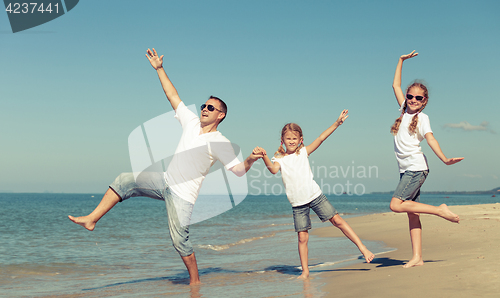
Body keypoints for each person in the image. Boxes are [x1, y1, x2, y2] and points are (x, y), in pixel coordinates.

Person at [68, 48, 262, 285]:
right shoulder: (191, 122)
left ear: (220, 115)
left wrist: (251, 158)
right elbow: (173, 95)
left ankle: (195, 282)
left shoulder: (220, 142)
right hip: (165, 180)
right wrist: (159, 69)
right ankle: (92, 219)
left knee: (179, 240)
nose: (204, 109)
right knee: (124, 180)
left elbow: (238, 171)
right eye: (204, 105)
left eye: (210, 108)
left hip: (183, 195)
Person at [255, 111, 374, 279]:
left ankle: (362, 247)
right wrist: (264, 157)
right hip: (298, 204)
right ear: (282, 140)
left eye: (295, 138)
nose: (291, 141)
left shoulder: (303, 152)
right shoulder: (279, 158)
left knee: (337, 220)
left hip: (315, 196)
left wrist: (337, 123)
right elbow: (273, 170)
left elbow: (321, 138)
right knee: (302, 238)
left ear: (300, 140)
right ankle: (305, 271)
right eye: (288, 139)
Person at [389, 50, 464, 268]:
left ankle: (440, 210)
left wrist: (444, 159)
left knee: (396, 205)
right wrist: (400, 60)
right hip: (406, 170)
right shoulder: (404, 110)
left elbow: (431, 139)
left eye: (418, 98)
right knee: (412, 214)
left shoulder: (423, 118)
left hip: (416, 169)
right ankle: (417, 257)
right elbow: (395, 85)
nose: (412, 100)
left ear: (424, 101)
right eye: (410, 96)